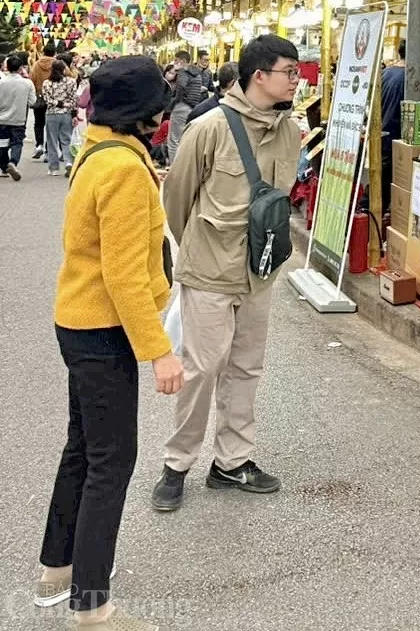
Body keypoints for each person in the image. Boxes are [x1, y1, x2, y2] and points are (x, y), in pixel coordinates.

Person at [35, 56, 183, 631]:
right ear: (146, 113)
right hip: (105, 328)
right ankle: (92, 606)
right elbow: (122, 274)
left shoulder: (99, 150)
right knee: (111, 461)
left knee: (84, 448)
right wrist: (158, 350)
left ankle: (60, 567)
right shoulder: (123, 168)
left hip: (79, 320)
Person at [153, 35, 301, 512]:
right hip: (211, 272)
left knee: (246, 368)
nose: (297, 81)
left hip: (259, 272)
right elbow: (177, 200)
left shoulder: (290, 131)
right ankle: (177, 464)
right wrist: (199, 248)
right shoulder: (210, 126)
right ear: (260, 76)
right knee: (200, 369)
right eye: (289, 72)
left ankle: (232, 462)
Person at [0, 54, 37, 180]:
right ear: (21, 68)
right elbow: (32, 102)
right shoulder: (27, 83)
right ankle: (13, 162)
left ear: (7, 67)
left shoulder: (1, 83)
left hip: (2, 119)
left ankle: (4, 167)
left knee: (2, 144)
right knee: (17, 143)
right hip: (18, 119)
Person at [167, 51, 206, 164]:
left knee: (174, 140)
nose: (174, 63)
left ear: (182, 61)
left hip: (181, 107)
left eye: (176, 60)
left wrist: (173, 102)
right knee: (184, 140)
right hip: (192, 107)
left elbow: (181, 88)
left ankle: (174, 168)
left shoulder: (183, 72)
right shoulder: (197, 73)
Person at [380, 40, 406, 213]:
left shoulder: (386, 72)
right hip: (395, 138)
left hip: (382, 134)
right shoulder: (409, 77)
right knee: (386, 187)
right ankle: (369, 230)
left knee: (381, 183)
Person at [42, 59, 78, 177]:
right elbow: (74, 100)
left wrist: (58, 103)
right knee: (66, 140)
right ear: (63, 69)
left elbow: (47, 100)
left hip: (52, 113)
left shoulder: (47, 83)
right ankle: (68, 162)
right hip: (66, 114)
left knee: (52, 141)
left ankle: (54, 168)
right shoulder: (72, 82)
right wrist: (74, 114)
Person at [30, 42, 57, 160]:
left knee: (38, 123)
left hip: (39, 97)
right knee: (51, 125)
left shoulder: (36, 65)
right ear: (54, 53)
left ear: (43, 52)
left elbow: (31, 79)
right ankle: (48, 151)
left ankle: (39, 145)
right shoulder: (57, 64)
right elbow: (69, 75)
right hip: (54, 98)